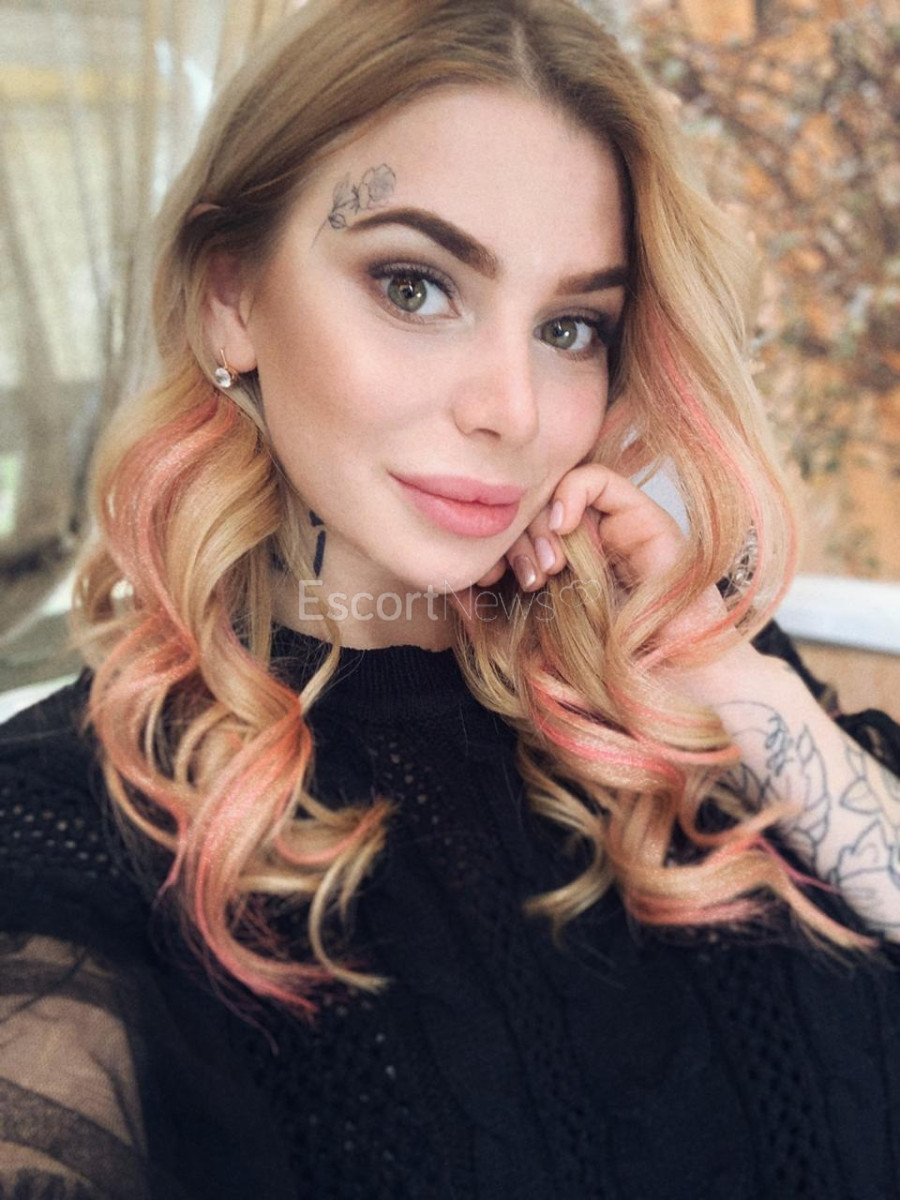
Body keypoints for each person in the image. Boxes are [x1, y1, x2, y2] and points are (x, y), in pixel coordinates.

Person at [1, 0, 898, 1196]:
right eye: (415, 287)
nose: (510, 408)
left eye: (572, 327)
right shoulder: (75, 826)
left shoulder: (690, 690)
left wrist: (730, 675)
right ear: (232, 296)